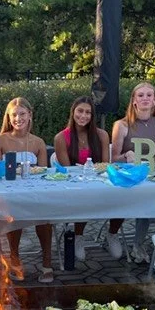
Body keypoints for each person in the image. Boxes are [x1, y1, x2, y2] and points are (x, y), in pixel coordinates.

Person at [0, 97, 53, 283]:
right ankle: (15, 258)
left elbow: (43, 173)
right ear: (9, 118)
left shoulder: (38, 142)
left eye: (22, 114)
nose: (18, 118)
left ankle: (47, 262)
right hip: (8, 192)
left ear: (30, 115)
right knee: (12, 212)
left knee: (45, 214)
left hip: (33, 191)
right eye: (14, 115)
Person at [111, 82, 155, 262]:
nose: (145, 98)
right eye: (141, 95)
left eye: (149, 95)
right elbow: (114, 159)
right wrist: (127, 155)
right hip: (127, 177)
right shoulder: (121, 125)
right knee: (144, 200)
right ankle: (126, 239)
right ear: (134, 101)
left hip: (150, 175)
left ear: (154, 101)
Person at [53, 96, 111, 261]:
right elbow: (67, 171)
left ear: (92, 116)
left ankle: (112, 233)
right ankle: (78, 236)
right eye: (80, 111)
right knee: (84, 196)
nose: (83, 116)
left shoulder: (102, 136)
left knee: (123, 192)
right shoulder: (61, 138)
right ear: (73, 112)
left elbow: (105, 165)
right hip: (73, 186)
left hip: (99, 183)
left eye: (88, 112)